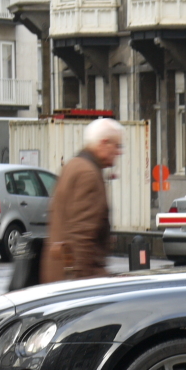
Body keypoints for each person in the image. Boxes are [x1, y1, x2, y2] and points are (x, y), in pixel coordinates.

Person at [41, 118, 124, 284]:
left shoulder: (73, 166)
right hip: (75, 279)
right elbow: (81, 235)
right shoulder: (88, 174)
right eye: (117, 145)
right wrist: (82, 284)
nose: (119, 152)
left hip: (59, 274)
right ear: (104, 143)